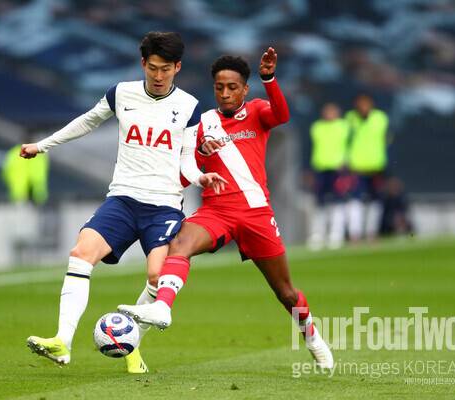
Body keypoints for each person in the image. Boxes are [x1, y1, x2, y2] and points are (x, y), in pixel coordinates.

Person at [20, 31, 226, 373]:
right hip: (123, 199)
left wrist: (199, 177)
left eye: (166, 69)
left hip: (163, 206)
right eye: (153, 68)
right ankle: (62, 341)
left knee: (158, 276)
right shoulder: (121, 93)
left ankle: (132, 346)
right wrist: (42, 145)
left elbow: (188, 159)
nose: (158, 76)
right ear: (143, 63)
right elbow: (87, 121)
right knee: (81, 254)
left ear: (177, 67)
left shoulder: (189, 106)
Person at [118, 48, 334, 368]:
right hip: (216, 211)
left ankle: (313, 338)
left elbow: (282, 115)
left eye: (232, 87)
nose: (225, 93)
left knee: (286, 293)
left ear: (245, 89)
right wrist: (199, 156)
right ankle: (163, 307)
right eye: (219, 87)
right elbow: (185, 172)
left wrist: (269, 79)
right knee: (179, 245)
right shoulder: (202, 123)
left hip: (256, 213)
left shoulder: (258, 111)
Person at [345, 94, 390, 242]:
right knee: (355, 200)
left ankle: (372, 232)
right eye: (361, 104)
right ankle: (355, 234)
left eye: (366, 103)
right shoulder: (350, 118)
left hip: (376, 166)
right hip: (356, 167)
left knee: (376, 201)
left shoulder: (380, 118)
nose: (363, 107)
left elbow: (385, 138)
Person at [306, 103, 349, 250]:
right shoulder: (317, 127)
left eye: (332, 111)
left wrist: (346, 162)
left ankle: (336, 234)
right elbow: (311, 148)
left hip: (338, 170)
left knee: (337, 202)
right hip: (320, 168)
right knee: (319, 203)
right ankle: (317, 235)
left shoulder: (344, 126)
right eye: (327, 111)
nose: (329, 114)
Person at [1, 140, 49, 205]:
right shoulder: (39, 153)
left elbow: (6, 171)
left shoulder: (14, 152)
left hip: (34, 192)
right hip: (23, 192)